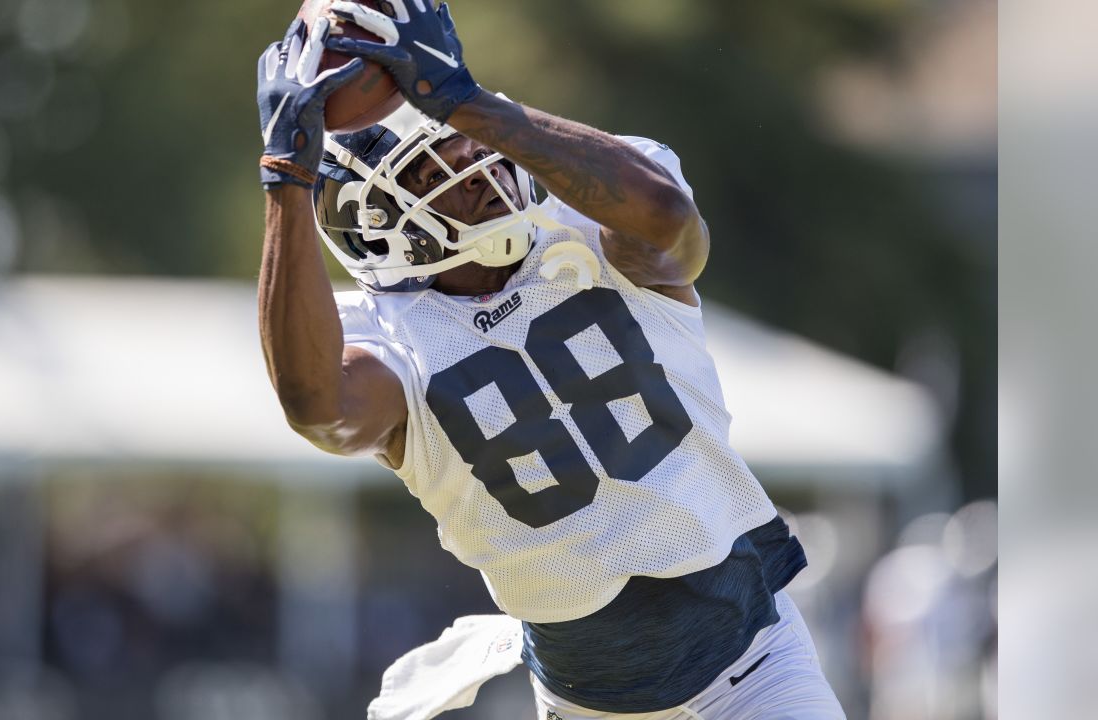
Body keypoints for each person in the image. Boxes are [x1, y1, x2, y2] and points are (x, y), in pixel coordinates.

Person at [255, 2, 846, 718]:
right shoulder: (389, 336)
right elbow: (321, 412)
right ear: (377, 215)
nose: (479, 163)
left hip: (755, 666)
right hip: (589, 704)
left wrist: (465, 102)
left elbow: (670, 223)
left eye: (471, 143)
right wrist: (286, 177)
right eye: (442, 162)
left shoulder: (590, 222)